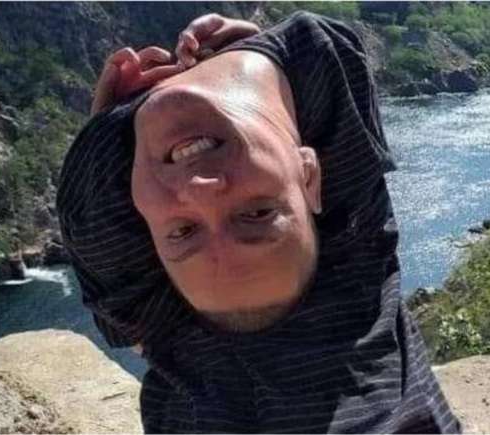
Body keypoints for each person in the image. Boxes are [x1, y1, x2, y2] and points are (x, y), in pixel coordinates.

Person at [58, 11, 461, 433]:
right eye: (255, 214)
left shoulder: (160, 328)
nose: (201, 188)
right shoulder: (360, 244)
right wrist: (245, 67)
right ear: (310, 176)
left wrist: (112, 133)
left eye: (183, 231)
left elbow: (98, 224)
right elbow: (317, 46)